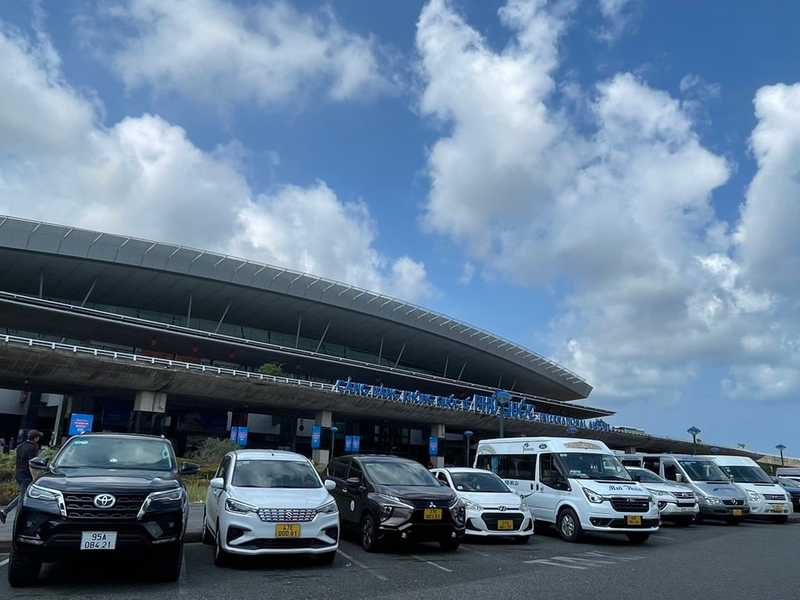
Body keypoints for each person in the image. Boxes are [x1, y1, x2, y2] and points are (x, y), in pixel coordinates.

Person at [0, 429, 43, 524]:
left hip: (18, 474)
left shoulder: (20, 446)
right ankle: (18, 519)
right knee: (22, 498)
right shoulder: (33, 448)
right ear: (35, 438)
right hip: (26, 475)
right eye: (38, 437)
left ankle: (5, 511)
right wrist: (34, 478)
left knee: (22, 495)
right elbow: (31, 464)